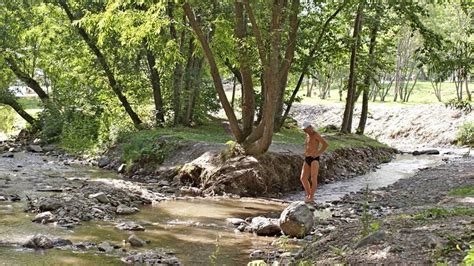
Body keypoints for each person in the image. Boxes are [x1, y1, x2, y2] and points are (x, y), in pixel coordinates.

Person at [300, 121, 328, 203]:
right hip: (307, 157)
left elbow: (325, 144)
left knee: (313, 177)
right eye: (304, 130)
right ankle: (308, 195)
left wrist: (318, 153)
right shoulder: (307, 135)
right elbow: (307, 144)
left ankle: (311, 197)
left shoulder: (316, 135)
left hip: (314, 159)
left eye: (306, 129)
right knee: (303, 178)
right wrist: (305, 151)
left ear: (310, 127)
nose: (305, 131)